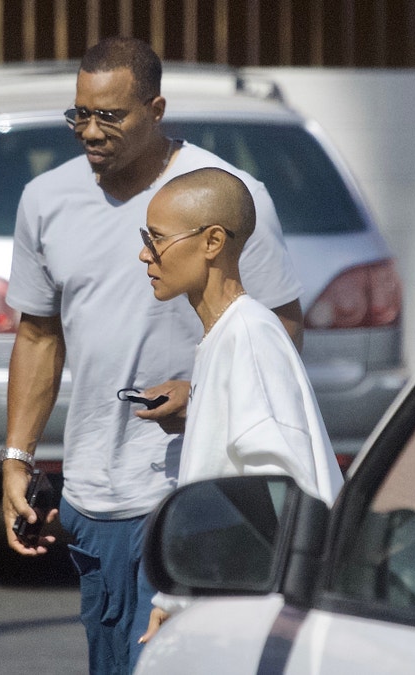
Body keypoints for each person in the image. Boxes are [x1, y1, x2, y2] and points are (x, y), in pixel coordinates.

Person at [0, 37, 304, 675]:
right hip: (91, 500)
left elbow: (279, 328)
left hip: (185, 495)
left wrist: (200, 396)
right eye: (79, 113)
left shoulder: (223, 196)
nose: (89, 130)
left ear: (156, 108)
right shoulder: (44, 200)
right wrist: (17, 458)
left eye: (110, 115)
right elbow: (37, 335)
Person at [135, 167, 345, 644]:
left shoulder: (248, 334)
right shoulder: (225, 335)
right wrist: (175, 602)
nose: (144, 254)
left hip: (258, 621)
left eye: (157, 239)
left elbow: (282, 488)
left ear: (212, 242)